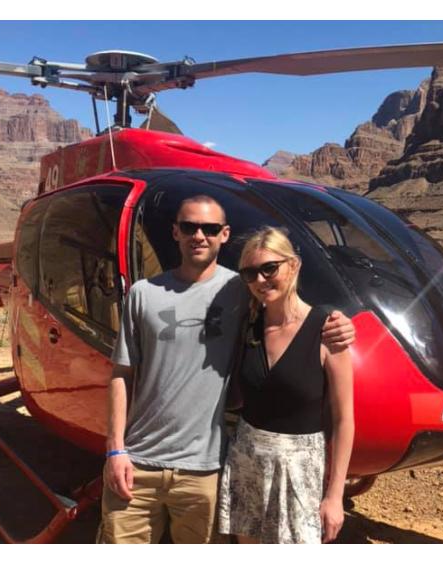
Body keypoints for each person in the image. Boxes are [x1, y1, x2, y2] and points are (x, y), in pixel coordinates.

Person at [97, 195, 355, 544]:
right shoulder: (145, 294)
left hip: (205, 469)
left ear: (224, 233)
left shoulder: (241, 290)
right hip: (140, 463)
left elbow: (290, 303)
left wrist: (342, 322)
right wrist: (115, 449)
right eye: (189, 226)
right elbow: (121, 374)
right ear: (175, 232)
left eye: (210, 228)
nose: (199, 235)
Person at [218, 226, 355, 544]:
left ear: (293, 265)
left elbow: (344, 419)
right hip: (247, 460)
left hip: (299, 470)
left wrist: (335, 495)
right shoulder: (249, 326)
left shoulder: (327, 331)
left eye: (269, 268)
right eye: (250, 274)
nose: (260, 280)